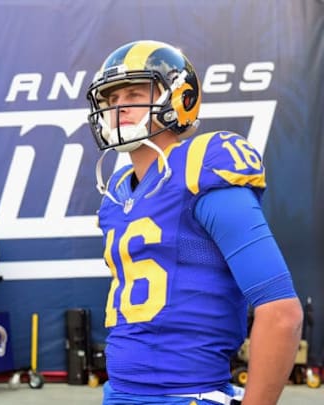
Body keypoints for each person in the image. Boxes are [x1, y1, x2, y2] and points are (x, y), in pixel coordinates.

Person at [85, 40, 303, 405]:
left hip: (189, 395)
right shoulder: (118, 192)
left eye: (134, 93)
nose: (118, 106)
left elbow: (281, 312)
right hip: (120, 393)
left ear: (179, 99)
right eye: (111, 99)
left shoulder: (201, 167)